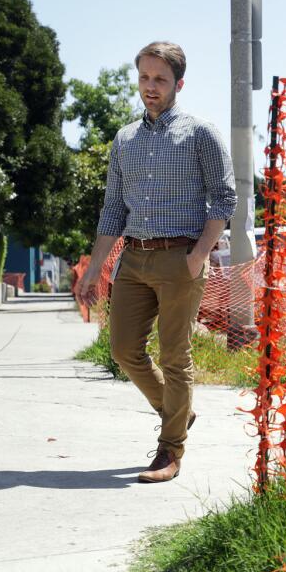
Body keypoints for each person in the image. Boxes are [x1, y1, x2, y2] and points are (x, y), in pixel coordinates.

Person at [77, 41, 236, 483]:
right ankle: (177, 412)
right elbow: (113, 210)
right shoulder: (124, 140)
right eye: (145, 77)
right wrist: (93, 270)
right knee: (124, 350)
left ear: (178, 84)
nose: (151, 87)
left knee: (174, 356)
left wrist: (199, 254)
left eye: (160, 79)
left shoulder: (199, 133)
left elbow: (224, 196)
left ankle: (170, 451)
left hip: (180, 258)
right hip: (133, 259)